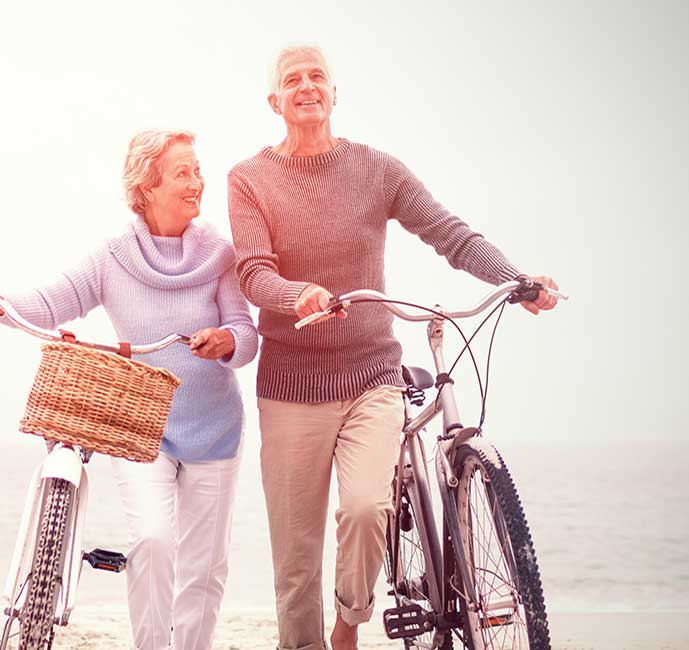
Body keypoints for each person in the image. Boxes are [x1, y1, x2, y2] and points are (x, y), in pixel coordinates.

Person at [225, 45, 561, 650]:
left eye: (317, 76)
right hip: (291, 388)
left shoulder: (378, 170)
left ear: (334, 92)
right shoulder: (250, 179)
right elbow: (252, 273)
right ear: (274, 101)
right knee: (296, 559)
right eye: (292, 80)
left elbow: (447, 232)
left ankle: (348, 624)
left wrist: (514, 278)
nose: (307, 86)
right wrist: (296, 293)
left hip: (369, 375)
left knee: (363, 510)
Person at [0, 129, 258, 650]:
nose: (197, 181)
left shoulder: (221, 255)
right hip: (141, 431)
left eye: (197, 169)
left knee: (205, 568)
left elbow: (247, 335)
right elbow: (50, 304)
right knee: (154, 541)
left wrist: (226, 340)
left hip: (215, 430)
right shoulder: (113, 257)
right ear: (148, 185)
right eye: (183, 172)